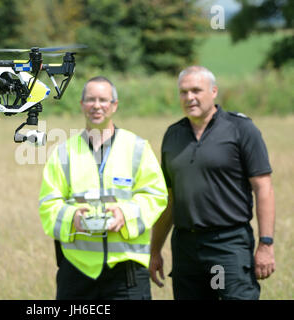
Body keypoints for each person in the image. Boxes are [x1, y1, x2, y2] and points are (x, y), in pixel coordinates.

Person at [150, 66, 276, 300]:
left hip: (228, 244)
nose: (189, 98)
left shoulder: (241, 129)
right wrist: (155, 249)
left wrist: (266, 244)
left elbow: (263, 188)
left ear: (214, 91)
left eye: (196, 90)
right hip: (185, 247)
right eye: (183, 92)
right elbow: (169, 199)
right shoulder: (172, 136)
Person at [39, 76, 168, 300]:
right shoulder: (63, 152)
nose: (96, 105)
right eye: (90, 100)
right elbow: (48, 203)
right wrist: (72, 218)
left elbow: (156, 195)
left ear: (114, 105)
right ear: (81, 105)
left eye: (103, 100)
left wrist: (125, 214)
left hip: (126, 272)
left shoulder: (137, 148)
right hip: (77, 271)